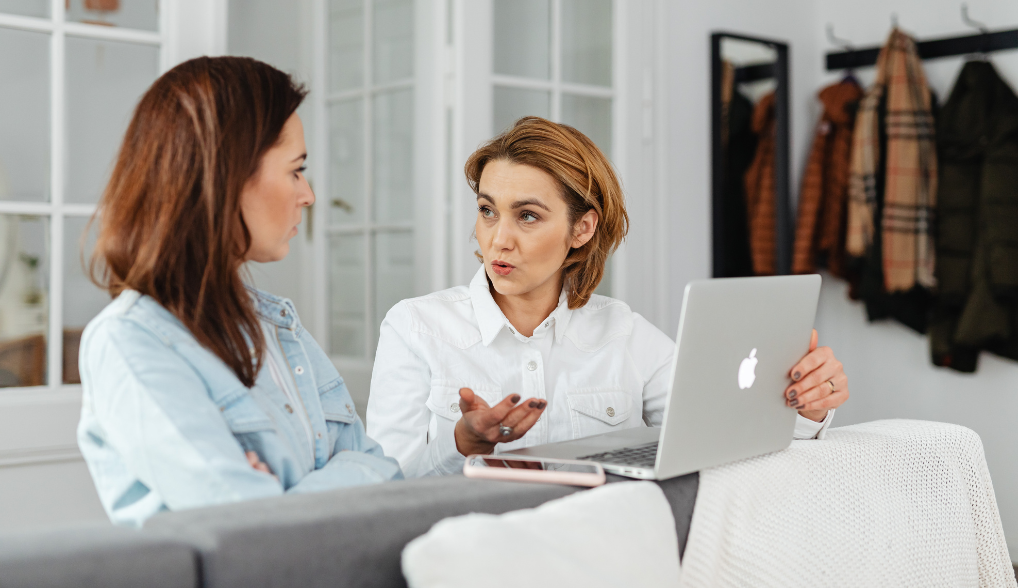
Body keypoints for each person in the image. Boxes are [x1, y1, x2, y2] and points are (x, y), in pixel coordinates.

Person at [367, 116, 849, 477]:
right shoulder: (416, 328)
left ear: (582, 228)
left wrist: (807, 406)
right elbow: (379, 488)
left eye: (527, 216)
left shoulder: (625, 334)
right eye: (488, 211)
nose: (499, 239)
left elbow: (723, 435)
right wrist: (461, 444)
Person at [77, 57, 402, 527]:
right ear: (226, 176)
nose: (308, 195)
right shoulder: (129, 342)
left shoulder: (278, 329)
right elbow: (249, 531)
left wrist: (283, 493)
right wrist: (345, 474)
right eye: (295, 170)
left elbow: (384, 471)